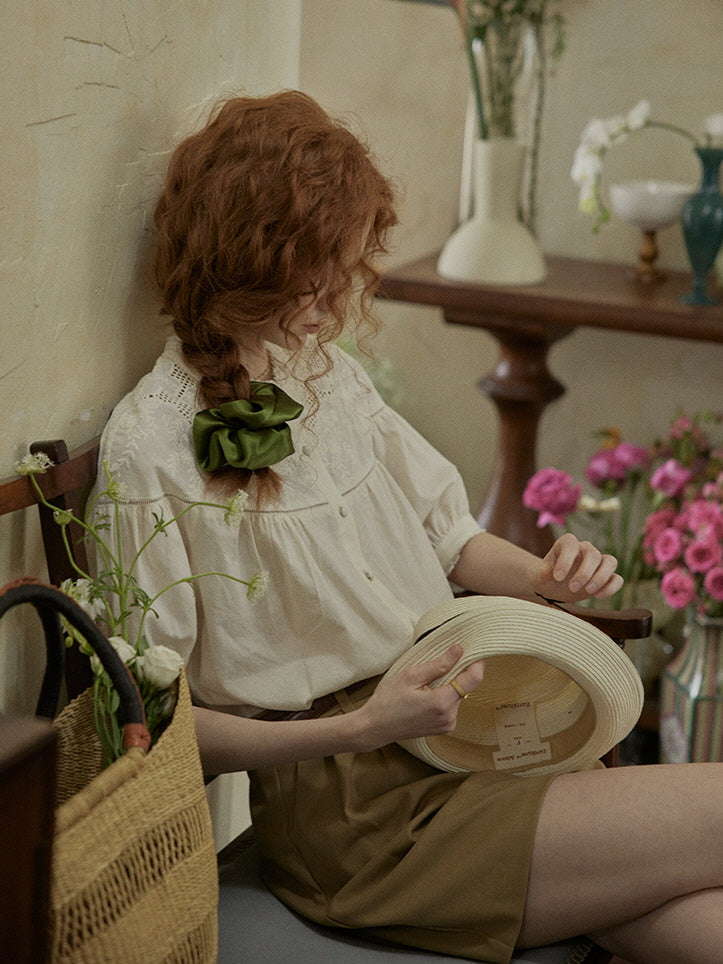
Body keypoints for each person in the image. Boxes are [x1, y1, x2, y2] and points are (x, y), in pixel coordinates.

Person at [95, 90, 723, 964]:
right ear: (243, 254)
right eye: (312, 272)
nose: (333, 300)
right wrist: (362, 727)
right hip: (353, 811)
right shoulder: (147, 450)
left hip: (462, 736)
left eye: (344, 269)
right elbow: (154, 730)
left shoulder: (327, 379)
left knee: (694, 912)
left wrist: (546, 577)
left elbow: (451, 539)